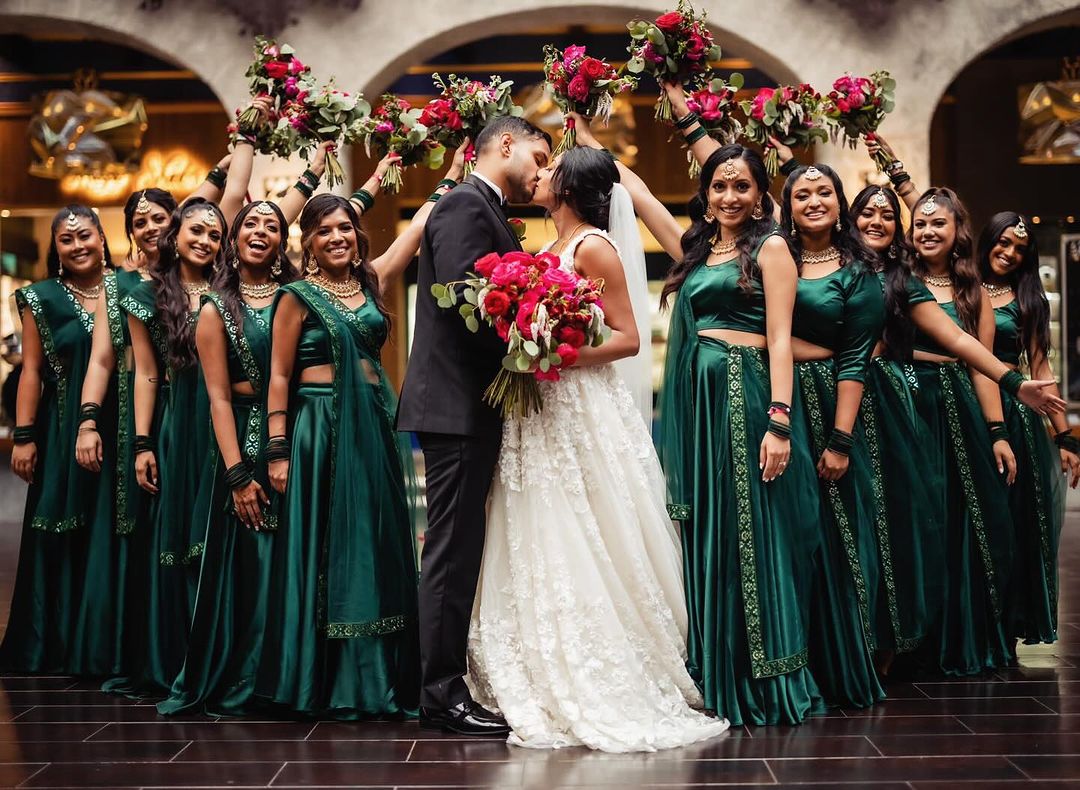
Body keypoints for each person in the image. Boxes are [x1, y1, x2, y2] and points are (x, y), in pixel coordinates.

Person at [466, 146, 729, 751]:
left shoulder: (592, 247)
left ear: (569, 188)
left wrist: (557, 356)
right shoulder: (550, 246)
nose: (540, 173)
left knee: (585, 520)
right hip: (543, 407)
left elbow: (631, 339)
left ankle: (606, 661)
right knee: (538, 517)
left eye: (551, 168)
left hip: (579, 402)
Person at [397, 116, 551, 736]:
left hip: (466, 404)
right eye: (538, 158)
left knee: (460, 547)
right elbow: (470, 302)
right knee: (451, 550)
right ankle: (439, 691)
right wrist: (534, 337)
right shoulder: (464, 204)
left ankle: (445, 681)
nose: (541, 173)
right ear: (505, 144)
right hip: (456, 404)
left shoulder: (481, 206)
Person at [258, 193, 426, 718]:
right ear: (308, 242)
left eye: (346, 228)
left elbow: (416, 228)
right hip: (316, 428)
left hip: (371, 426)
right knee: (324, 544)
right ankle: (322, 681)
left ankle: (378, 678)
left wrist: (452, 173)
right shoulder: (296, 296)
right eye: (325, 230)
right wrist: (278, 450)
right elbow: (279, 376)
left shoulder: (370, 284)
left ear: (357, 237)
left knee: (372, 540)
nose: (337, 237)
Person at [103, 197, 227, 695]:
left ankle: (223, 655)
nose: (205, 241)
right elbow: (147, 375)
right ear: (175, 235)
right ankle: (179, 657)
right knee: (181, 540)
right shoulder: (148, 294)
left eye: (215, 235)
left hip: (231, 424)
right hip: (181, 423)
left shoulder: (230, 288)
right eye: (196, 230)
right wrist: (141, 444)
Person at [781, 164, 885, 708]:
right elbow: (757, 331)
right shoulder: (772, 256)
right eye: (803, 194)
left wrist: (840, 441)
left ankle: (839, 666)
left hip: (832, 408)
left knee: (838, 538)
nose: (814, 201)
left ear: (840, 202)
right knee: (788, 535)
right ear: (788, 205)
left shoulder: (859, 271)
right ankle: (790, 659)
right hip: (772, 400)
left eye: (824, 192)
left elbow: (855, 360)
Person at [0, 205, 121, 675]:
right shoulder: (41, 297)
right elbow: (30, 370)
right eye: (67, 240)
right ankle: (62, 642)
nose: (78, 246)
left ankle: (109, 641)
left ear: (101, 237)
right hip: (62, 423)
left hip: (125, 419)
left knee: (114, 526)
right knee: (64, 526)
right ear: (56, 247)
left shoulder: (127, 286)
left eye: (85, 236)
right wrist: (25, 436)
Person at [977, 211, 1078, 652]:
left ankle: (1002, 628)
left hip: (1016, 419)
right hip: (960, 409)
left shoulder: (1029, 299)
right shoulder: (958, 284)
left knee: (1012, 525)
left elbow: (1041, 368)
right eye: (1003, 243)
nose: (1009, 253)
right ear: (987, 241)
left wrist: (1065, 435)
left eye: (1019, 249)